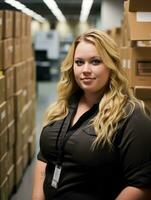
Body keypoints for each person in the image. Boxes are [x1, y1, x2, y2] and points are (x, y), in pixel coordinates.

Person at [32, 29, 151, 200]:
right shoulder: (62, 106)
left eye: (95, 62)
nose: (85, 69)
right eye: (79, 62)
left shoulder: (132, 115)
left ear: (111, 66)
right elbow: (44, 158)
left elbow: (142, 185)